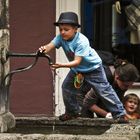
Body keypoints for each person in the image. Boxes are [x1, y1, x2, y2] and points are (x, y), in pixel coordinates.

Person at [39, 12, 126, 122]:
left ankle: (120, 114)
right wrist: (43, 49)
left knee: (104, 90)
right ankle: (73, 112)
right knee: (66, 87)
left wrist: (61, 65)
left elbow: (76, 61)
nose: (62, 32)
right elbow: (49, 46)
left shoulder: (81, 41)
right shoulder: (60, 38)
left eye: (66, 29)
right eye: (60, 29)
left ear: (75, 29)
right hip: (78, 70)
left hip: (93, 68)